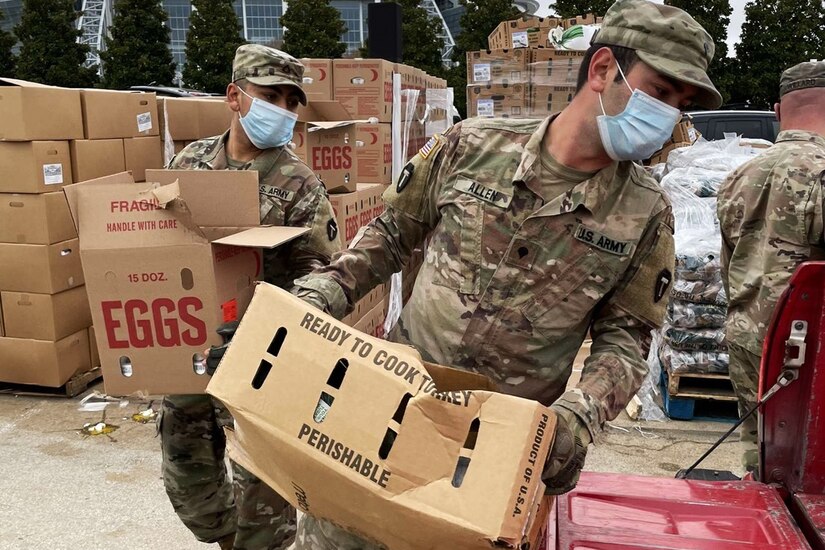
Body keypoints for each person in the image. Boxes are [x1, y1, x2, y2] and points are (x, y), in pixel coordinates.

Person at [289, 0, 721, 546]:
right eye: (660, 92)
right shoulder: (471, 147)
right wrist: (312, 299)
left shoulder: (644, 213)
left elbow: (626, 338)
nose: (669, 115)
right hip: (390, 414)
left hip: (497, 458)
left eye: (680, 103)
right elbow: (389, 238)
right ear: (603, 69)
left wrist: (576, 418)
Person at [159, 44, 342, 550]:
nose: (282, 110)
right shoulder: (190, 162)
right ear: (234, 97)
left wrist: (276, 318)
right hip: (194, 348)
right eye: (271, 96)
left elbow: (325, 269)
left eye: (290, 101)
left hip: (262, 356)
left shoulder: (299, 182)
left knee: (263, 491)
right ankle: (221, 537)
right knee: (187, 467)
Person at [718, 60, 825, 474]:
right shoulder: (821, 173)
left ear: (778, 112)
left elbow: (730, 265)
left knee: (761, 454)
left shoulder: (737, 176)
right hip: (809, 351)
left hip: (748, 341)